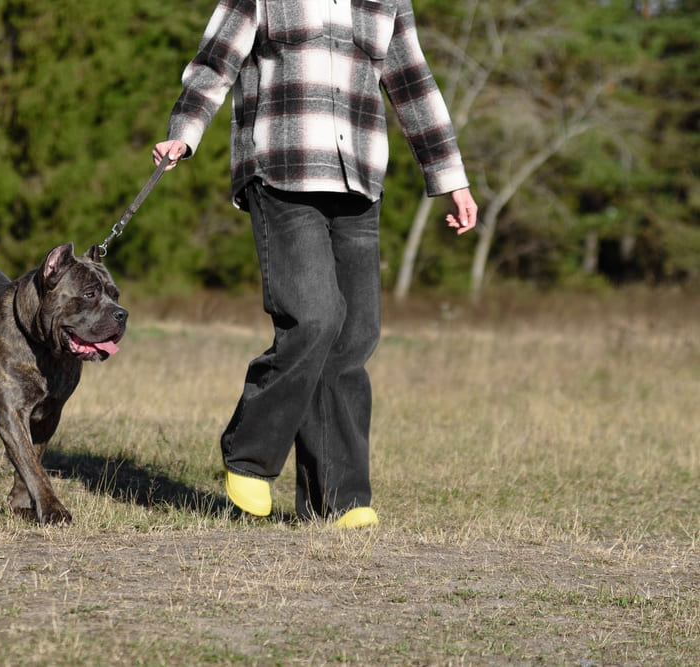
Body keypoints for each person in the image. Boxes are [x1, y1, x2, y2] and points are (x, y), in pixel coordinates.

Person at [153, 0, 477, 528]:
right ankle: (250, 454)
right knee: (314, 317)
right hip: (283, 170)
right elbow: (215, 61)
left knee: (353, 337)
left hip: (359, 181)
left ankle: (340, 500)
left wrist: (450, 177)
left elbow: (413, 81)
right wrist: (185, 131)